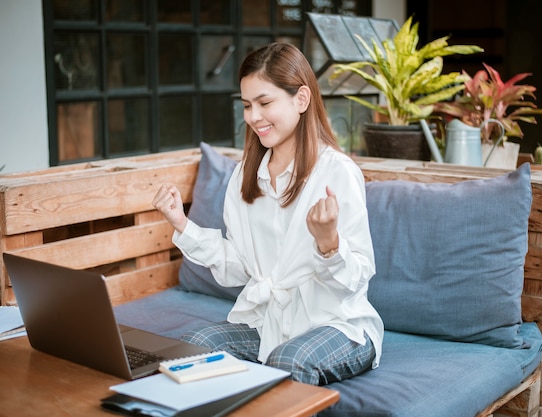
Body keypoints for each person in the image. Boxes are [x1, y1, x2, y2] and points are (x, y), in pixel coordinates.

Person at [152, 42, 383, 386]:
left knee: (288, 360)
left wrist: (329, 245)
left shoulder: (336, 172)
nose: (253, 116)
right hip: (269, 324)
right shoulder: (246, 173)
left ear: (301, 99)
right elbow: (238, 268)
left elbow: (355, 282)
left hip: (338, 325)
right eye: (247, 105)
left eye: (265, 102)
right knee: (195, 346)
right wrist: (181, 223)